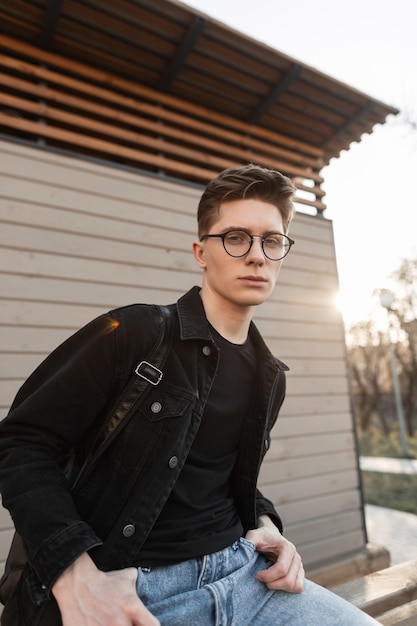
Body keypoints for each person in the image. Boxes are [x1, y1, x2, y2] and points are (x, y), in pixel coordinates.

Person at [0, 164, 379, 625]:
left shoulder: (269, 376)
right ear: (201, 252)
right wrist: (72, 570)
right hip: (137, 589)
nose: (256, 255)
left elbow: (212, 474)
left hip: (245, 577)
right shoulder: (135, 334)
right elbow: (19, 444)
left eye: (271, 241)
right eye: (236, 238)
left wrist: (266, 524)